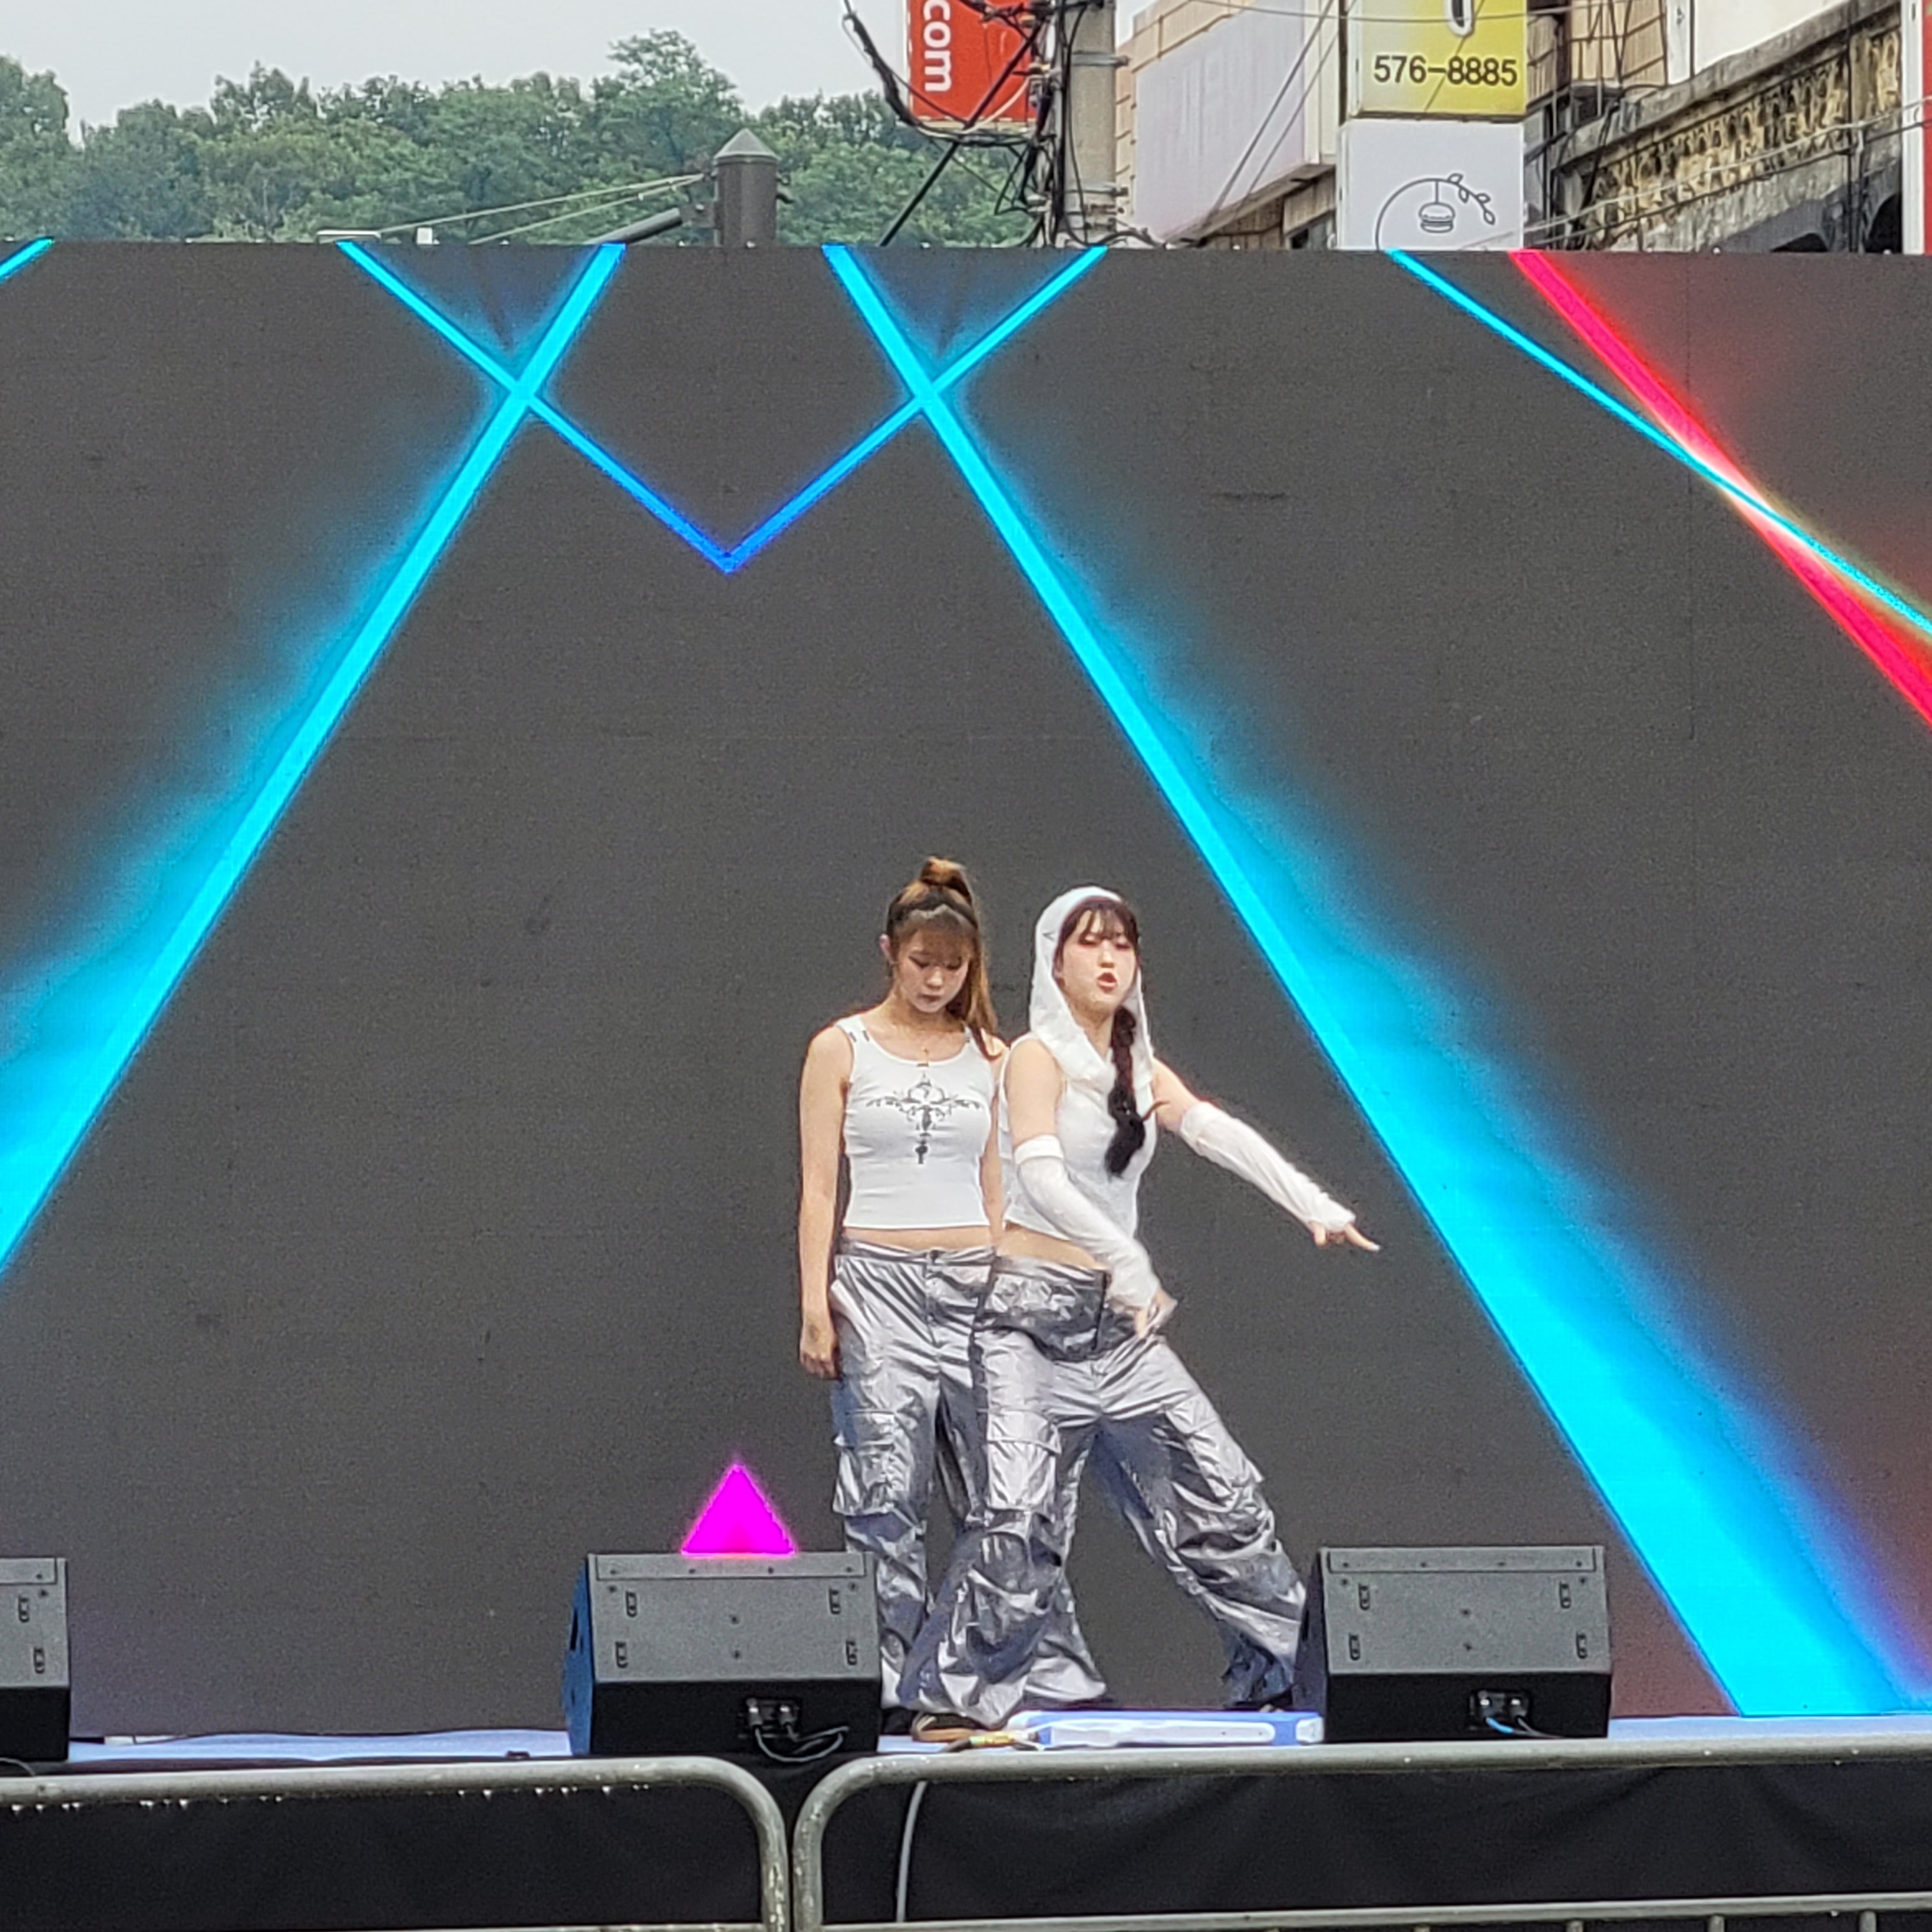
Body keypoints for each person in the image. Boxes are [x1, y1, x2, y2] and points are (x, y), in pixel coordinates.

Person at [902, 885, 1377, 1733]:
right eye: (1090, 944)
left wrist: (1312, 1203)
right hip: (1029, 1327)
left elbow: (1212, 1129)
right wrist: (1125, 1258)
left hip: (1120, 1335)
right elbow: (1042, 1176)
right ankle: (955, 1701)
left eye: (1122, 944)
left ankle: (1283, 1673)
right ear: (1055, 963)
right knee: (1017, 1517)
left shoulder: (1136, 1067)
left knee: (1220, 1496)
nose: (1110, 959)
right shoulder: (1035, 1059)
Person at [797, 859, 1103, 1720]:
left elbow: (1006, 1187)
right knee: (884, 1492)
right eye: (921, 963)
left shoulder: (996, 1058)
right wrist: (816, 1304)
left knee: (1007, 1488)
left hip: (978, 1283)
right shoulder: (841, 1048)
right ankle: (893, 1680)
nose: (936, 981)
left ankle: (1013, 1672)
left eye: (953, 967)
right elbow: (819, 1186)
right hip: (877, 1283)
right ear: (889, 953)